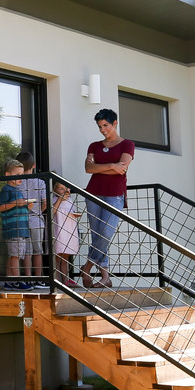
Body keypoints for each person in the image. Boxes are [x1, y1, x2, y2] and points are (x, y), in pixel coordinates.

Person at [79, 108, 134, 288]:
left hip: (115, 196)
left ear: (115, 123)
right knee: (97, 235)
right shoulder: (94, 146)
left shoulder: (127, 145)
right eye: (100, 126)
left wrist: (101, 166)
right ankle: (105, 277)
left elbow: (123, 168)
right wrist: (111, 165)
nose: (103, 129)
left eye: (106, 125)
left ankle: (86, 268)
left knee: (105, 233)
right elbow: (89, 168)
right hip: (93, 193)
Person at [0, 159, 36, 291]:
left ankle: (9, 280)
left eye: (22, 174)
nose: (21, 178)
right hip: (13, 229)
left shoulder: (17, 190)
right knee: (15, 255)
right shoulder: (7, 189)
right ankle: (17, 280)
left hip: (21, 228)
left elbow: (17, 206)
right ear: (8, 175)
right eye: (17, 174)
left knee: (13, 254)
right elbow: (1, 207)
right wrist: (17, 203)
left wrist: (27, 207)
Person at [15, 151, 48, 283]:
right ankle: (38, 278)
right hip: (36, 220)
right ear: (33, 165)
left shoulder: (16, 182)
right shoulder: (40, 182)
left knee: (27, 251)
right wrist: (39, 211)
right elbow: (45, 203)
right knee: (37, 250)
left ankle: (28, 278)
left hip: (22, 219)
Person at [50, 181, 82, 285]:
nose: (64, 191)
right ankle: (56, 280)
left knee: (66, 256)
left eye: (66, 188)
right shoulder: (54, 200)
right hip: (59, 230)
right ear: (55, 191)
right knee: (57, 256)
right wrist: (59, 199)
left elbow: (71, 211)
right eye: (61, 189)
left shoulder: (70, 200)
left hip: (69, 230)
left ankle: (65, 279)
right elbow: (52, 212)